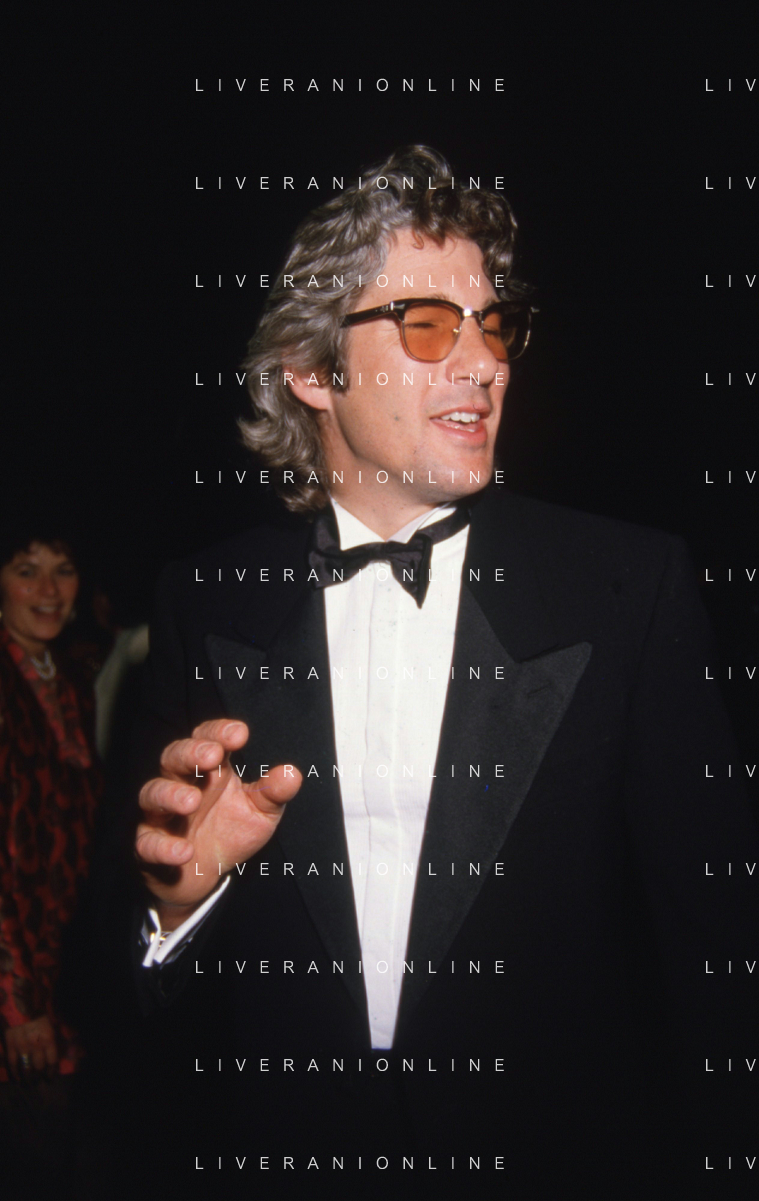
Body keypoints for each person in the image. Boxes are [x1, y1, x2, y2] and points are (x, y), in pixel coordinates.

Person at [126, 147, 756, 1196]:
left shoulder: (629, 588)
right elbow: (136, 1005)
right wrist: (176, 907)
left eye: (493, 325)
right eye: (426, 324)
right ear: (312, 370)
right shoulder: (206, 600)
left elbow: (719, 962)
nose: (484, 363)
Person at [0, 523, 102, 1197]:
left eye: (62, 570)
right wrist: (17, 1006)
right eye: (26, 570)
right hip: (16, 986)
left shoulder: (67, 678)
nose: (47, 589)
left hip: (64, 973)